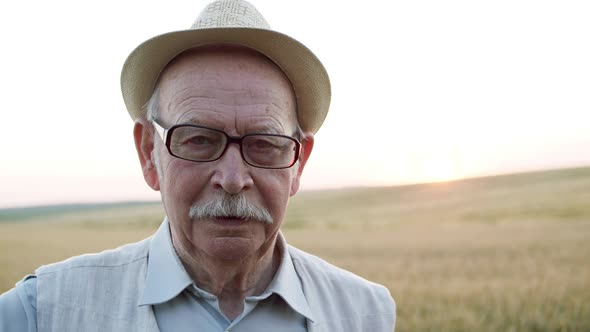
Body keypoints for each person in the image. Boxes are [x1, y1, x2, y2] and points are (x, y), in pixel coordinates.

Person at [0, 0, 396, 331]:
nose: (233, 179)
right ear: (148, 153)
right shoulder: (39, 313)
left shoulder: (366, 314)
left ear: (299, 163)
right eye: (199, 140)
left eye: (264, 145)